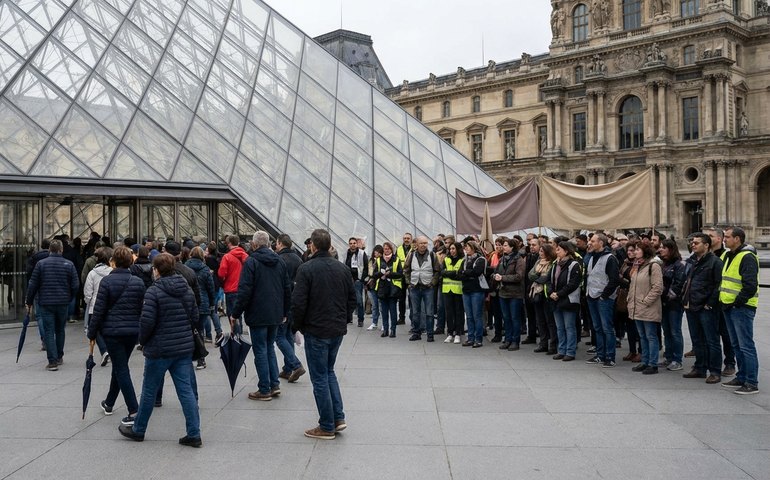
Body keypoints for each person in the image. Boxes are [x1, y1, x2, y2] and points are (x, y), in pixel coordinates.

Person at [119, 253, 201, 447]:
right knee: (186, 391)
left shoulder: (153, 292)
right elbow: (195, 316)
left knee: (149, 391)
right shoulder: (186, 289)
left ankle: (139, 429)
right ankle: (194, 432)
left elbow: (147, 323)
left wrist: (143, 341)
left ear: (156, 270)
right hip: (183, 348)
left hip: (159, 348)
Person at [291, 229, 355, 440]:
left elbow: (299, 302)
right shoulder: (342, 268)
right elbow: (352, 299)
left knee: (319, 377)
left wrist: (295, 326)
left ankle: (327, 425)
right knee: (329, 372)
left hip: (316, 330)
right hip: (336, 329)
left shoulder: (306, 269)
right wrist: (343, 320)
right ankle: (338, 417)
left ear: (313, 246)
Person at [230, 231, 291, 401]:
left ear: (255, 244)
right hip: (276, 313)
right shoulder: (279, 261)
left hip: (257, 313)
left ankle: (264, 389)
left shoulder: (251, 262)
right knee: (269, 347)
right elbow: (287, 288)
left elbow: (244, 291)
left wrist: (235, 313)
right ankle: (274, 384)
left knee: (261, 351)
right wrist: (285, 311)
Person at [87, 246, 146, 426]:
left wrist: (92, 332)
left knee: (121, 369)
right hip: (132, 332)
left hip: (112, 332)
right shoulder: (138, 282)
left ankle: (134, 409)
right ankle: (109, 402)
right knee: (120, 366)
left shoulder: (107, 282)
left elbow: (99, 311)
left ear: (113, 261)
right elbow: (141, 309)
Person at [25, 239, 79, 371]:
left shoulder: (41, 264)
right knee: (60, 330)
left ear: (49, 250)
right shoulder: (69, 264)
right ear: (61, 250)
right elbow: (75, 285)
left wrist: (29, 301)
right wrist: (69, 297)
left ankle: (52, 361)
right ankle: (59, 356)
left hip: (46, 302)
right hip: (62, 302)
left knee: (49, 330)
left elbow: (33, 284)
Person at [719, 226, 760, 395]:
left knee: (746, 345)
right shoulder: (728, 255)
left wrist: (737, 303)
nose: (724, 239)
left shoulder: (747, 257)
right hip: (728, 305)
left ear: (737, 239)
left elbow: (750, 285)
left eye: (728, 237)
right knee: (736, 345)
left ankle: (751, 381)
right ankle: (741, 376)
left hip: (741, 307)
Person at [681, 233, 723, 383]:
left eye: (697, 243)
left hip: (705, 307)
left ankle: (715, 371)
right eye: (692, 243)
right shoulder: (693, 261)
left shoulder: (715, 262)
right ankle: (699, 367)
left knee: (712, 340)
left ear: (706, 245)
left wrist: (710, 304)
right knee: (697, 339)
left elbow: (719, 285)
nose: (693, 245)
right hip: (691, 305)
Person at [626, 241, 664, 375]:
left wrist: (646, 301)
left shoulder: (653, 266)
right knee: (642, 336)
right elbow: (633, 286)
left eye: (637, 250)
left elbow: (657, 287)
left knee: (650, 336)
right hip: (637, 306)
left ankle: (653, 363)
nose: (635, 252)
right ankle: (645, 360)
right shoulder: (638, 266)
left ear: (645, 251)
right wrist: (630, 300)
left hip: (648, 307)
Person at [585, 233, 620, 368]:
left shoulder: (610, 258)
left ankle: (610, 356)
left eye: (593, 241)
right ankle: (600, 354)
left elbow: (614, 280)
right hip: (591, 296)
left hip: (603, 298)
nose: (590, 243)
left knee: (607, 328)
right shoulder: (592, 256)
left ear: (601, 243)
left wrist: (604, 295)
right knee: (597, 327)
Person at [275, 234, 306, 383]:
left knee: (279, 336)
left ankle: (295, 364)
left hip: (282, 302)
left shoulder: (279, 260)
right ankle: (288, 369)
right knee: (288, 335)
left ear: (280, 244)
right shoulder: (298, 259)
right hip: (295, 302)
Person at [547, 241, 581, 361]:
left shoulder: (574, 265)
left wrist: (559, 294)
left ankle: (570, 351)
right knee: (559, 327)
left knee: (569, 327)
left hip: (568, 300)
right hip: (556, 300)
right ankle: (561, 350)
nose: (556, 251)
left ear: (566, 251)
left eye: (559, 249)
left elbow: (573, 283)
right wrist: (551, 292)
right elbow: (549, 281)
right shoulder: (555, 264)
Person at [403, 236, 440, 342]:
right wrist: (409, 282)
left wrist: (432, 283)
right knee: (415, 312)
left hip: (428, 288)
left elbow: (437, 271)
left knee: (429, 312)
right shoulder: (411, 254)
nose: (423, 245)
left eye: (425, 243)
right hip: (414, 287)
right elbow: (406, 269)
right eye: (421, 243)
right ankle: (416, 333)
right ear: (417, 244)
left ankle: (430, 334)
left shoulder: (432, 255)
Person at [659, 239, 688, 371]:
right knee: (666, 331)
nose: (661, 250)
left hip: (674, 304)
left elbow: (678, 285)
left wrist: (667, 295)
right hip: (664, 303)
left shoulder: (678, 265)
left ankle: (677, 359)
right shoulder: (663, 264)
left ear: (671, 249)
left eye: (664, 248)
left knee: (675, 331)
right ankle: (669, 356)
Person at [493, 238, 526, 351]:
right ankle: (508, 339)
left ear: (512, 247)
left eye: (506, 245)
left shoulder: (519, 259)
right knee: (506, 318)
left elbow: (519, 276)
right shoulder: (502, 259)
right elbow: (496, 271)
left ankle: (515, 341)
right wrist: (495, 276)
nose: (503, 247)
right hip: (503, 292)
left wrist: (503, 278)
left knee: (514, 318)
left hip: (515, 293)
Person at [186, 247, 218, 363]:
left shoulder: (185, 268)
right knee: (200, 330)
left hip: (189, 303)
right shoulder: (205, 270)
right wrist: (212, 304)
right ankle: (201, 358)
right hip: (203, 303)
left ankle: (188, 356)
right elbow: (211, 288)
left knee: (189, 330)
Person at [83, 246, 113, 367]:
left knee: (95, 329)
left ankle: (104, 350)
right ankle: (109, 351)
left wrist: (87, 302)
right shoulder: (112, 271)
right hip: (110, 305)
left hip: (94, 306)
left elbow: (88, 292)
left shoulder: (92, 273)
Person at [459, 241, 488, 348]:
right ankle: (470, 338)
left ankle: (478, 339)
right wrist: (467, 273)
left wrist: (465, 272)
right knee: (469, 316)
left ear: (473, 248)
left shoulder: (481, 259)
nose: (465, 248)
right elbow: (459, 273)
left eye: (467, 247)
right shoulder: (465, 260)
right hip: (466, 290)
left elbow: (477, 272)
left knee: (477, 316)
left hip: (477, 290)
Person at [529, 242, 557, 354]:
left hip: (547, 294)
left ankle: (553, 345)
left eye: (542, 251)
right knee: (540, 321)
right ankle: (543, 343)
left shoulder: (552, 263)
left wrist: (538, 277)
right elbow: (530, 274)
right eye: (540, 251)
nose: (540, 253)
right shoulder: (538, 262)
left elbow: (547, 278)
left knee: (550, 321)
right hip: (537, 293)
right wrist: (538, 277)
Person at [218, 235, 249, 335]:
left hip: (231, 289)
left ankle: (236, 335)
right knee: (239, 313)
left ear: (229, 243)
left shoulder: (227, 257)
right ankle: (239, 333)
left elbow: (221, 273)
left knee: (232, 314)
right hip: (243, 289)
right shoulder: (246, 256)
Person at [373, 241, 403, 338]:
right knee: (384, 311)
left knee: (393, 311)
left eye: (388, 248)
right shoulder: (378, 260)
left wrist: (389, 274)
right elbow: (374, 274)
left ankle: (393, 330)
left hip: (393, 288)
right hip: (382, 287)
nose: (386, 250)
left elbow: (400, 274)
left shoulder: (396, 260)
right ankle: (385, 329)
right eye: (385, 249)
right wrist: (381, 274)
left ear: (391, 249)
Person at [441, 242, 465, 344]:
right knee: (449, 313)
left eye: (453, 249)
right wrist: (453, 273)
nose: (451, 251)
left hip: (458, 290)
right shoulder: (446, 259)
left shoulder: (462, 260)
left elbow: (460, 275)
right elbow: (442, 272)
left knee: (458, 312)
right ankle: (450, 333)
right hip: (447, 289)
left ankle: (458, 333)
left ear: (458, 249)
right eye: (450, 249)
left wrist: (449, 273)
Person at [344, 237, 368, 327]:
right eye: (351, 243)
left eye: (354, 243)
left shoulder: (361, 253)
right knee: (348, 300)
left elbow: (366, 267)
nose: (352, 245)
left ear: (357, 244)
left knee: (359, 301)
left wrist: (362, 279)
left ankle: (360, 319)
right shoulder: (346, 253)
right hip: (348, 280)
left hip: (358, 280)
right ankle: (349, 318)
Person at [365, 245, 384, 331]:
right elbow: (367, 272)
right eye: (376, 252)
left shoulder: (383, 261)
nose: (376, 254)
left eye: (379, 252)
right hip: (371, 286)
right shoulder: (370, 261)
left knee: (381, 305)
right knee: (374, 305)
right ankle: (374, 323)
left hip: (379, 286)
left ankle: (384, 323)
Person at [396, 233, 413, 324]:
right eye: (405, 238)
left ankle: (412, 317)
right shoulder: (399, 249)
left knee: (412, 297)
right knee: (401, 298)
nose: (406, 240)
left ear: (411, 239)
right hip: (401, 275)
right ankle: (401, 318)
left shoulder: (414, 249)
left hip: (410, 275)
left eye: (408, 238)